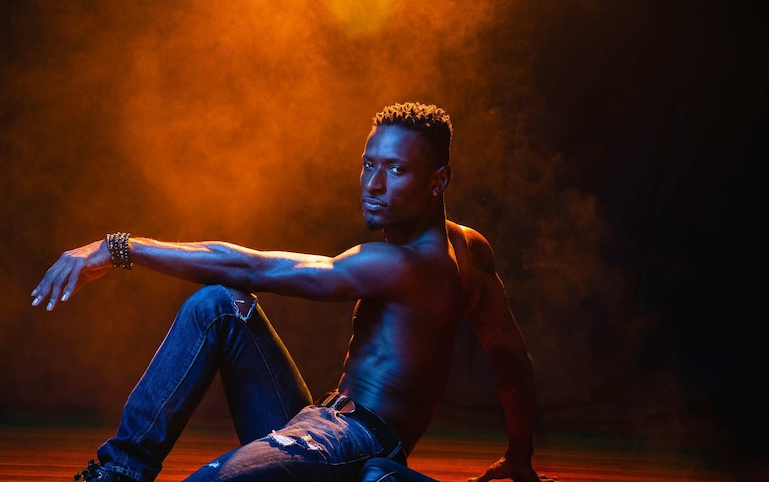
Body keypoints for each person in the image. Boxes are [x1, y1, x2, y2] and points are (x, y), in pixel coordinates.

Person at [31, 102, 555, 482]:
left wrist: (119, 247)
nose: (372, 185)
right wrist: (519, 457)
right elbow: (513, 361)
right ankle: (120, 473)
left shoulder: (397, 265)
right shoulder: (469, 249)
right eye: (369, 163)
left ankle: (377, 478)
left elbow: (253, 267)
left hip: (351, 440)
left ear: (438, 180)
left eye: (395, 170)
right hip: (323, 422)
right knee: (219, 306)